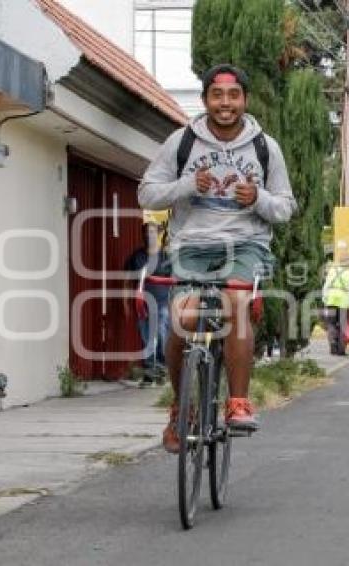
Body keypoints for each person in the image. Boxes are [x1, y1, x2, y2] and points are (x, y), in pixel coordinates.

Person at [138, 64, 296, 454]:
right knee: (183, 318)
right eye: (217, 95)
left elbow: (286, 208)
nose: (225, 103)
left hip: (246, 245)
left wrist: (257, 198)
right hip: (191, 245)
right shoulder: (182, 142)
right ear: (206, 99)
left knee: (236, 304)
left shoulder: (265, 148)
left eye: (233, 95)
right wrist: (187, 186)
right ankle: (180, 409)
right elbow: (147, 194)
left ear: (244, 99)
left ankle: (238, 402)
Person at [123, 216, 170, 388]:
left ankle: (162, 370)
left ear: (158, 233)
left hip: (163, 303)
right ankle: (150, 374)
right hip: (142, 305)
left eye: (151, 232)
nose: (147, 235)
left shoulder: (166, 256)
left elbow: (175, 282)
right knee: (146, 338)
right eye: (145, 232)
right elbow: (127, 282)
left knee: (161, 335)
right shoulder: (136, 257)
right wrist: (126, 304)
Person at [322, 245, 349, 356]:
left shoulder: (332, 271)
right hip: (344, 302)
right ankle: (341, 350)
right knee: (343, 325)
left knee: (331, 324)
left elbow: (326, 286)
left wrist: (325, 299)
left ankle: (333, 345)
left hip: (331, 300)